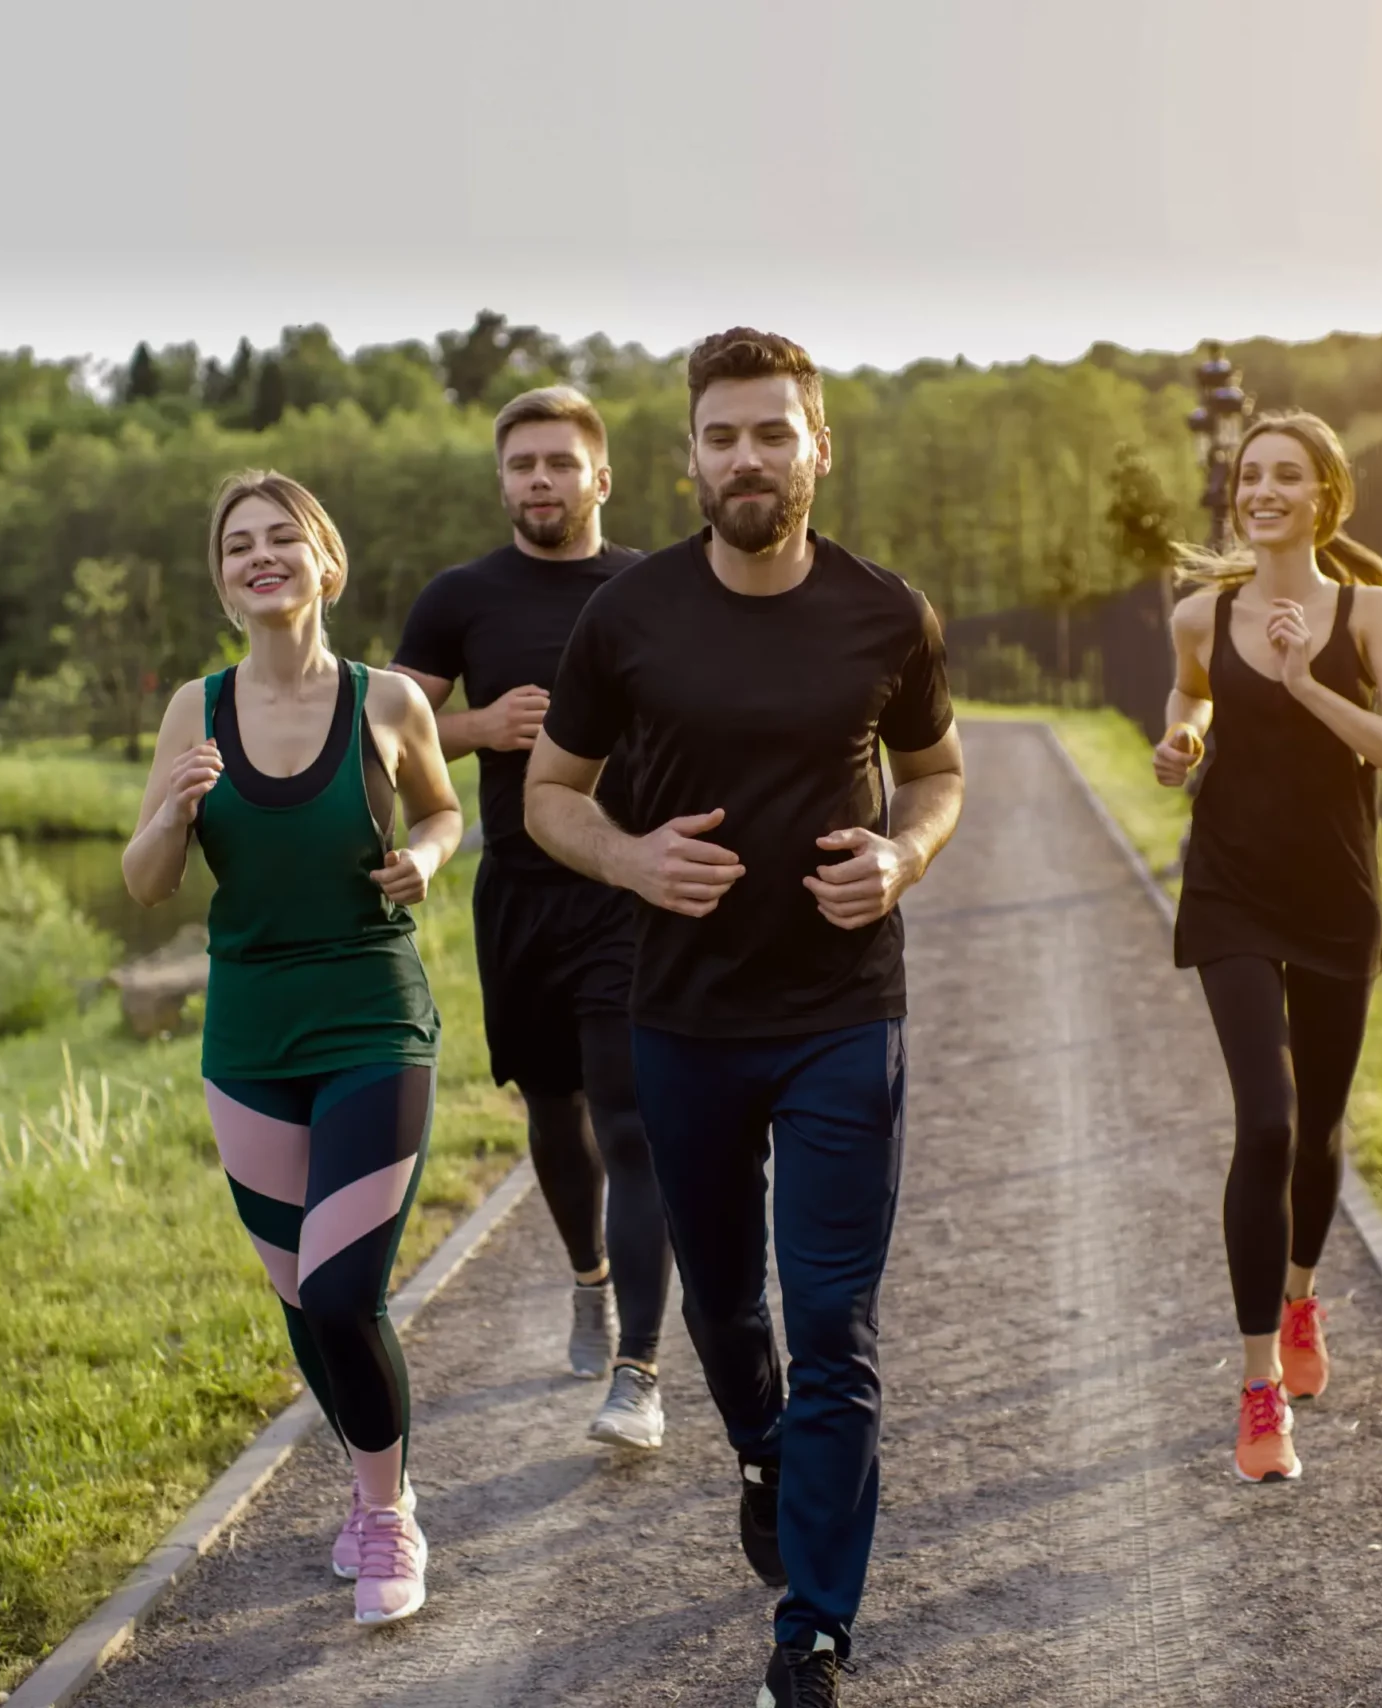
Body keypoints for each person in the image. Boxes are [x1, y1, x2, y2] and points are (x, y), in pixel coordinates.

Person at [524, 329, 964, 1708]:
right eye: (723, 437)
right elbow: (552, 793)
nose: (748, 458)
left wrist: (903, 858)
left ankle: (814, 1629)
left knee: (834, 1318)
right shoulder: (631, 617)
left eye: (774, 433)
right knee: (725, 1306)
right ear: (691, 459)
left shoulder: (888, 614)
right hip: (688, 1017)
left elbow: (940, 772)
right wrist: (631, 858)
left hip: (844, 1012)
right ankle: (764, 1451)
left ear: (818, 447)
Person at [123, 470, 464, 1626]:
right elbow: (145, 882)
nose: (260, 556)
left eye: (282, 538)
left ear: (325, 561)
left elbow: (443, 808)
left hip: (374, 1017)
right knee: (299, 1297)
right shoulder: (194, 708)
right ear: (223, 582)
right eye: (237, 546)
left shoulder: (387, 702)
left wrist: (429, 856)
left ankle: (386, 1516)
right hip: (251, 1037)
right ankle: (386, 1478)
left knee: (338, 1288)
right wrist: (172, 808)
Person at [1151, 410, 1382, 1484]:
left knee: (1317, 1126)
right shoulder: (1201, 613)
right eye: (1248, 475)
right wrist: (1183, 738)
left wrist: (1307, 683)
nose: (1261, 490)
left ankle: (1303, 1296)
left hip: (1333, 900)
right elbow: (1191, 693)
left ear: (1325, 497)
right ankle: (1259, 1386)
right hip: (1228, 891)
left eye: (1285, 475)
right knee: (1264, 1124)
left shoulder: (1369, 615)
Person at [391, 386, 676, 1450]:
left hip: (624, 886)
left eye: (560, 461)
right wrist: (480, 722)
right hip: (516, 894)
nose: (541, 480)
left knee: (630, 1116)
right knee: (552, 1113)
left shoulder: (653, 586)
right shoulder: (460, 596)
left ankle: (640, 1371)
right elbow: (393, 736)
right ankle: (588, 1278)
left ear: (601, 476)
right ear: (502, 480)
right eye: (522, 465)